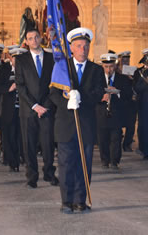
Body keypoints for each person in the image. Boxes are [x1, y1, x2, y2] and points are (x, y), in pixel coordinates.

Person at [49, 28, 104, 214]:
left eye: (86, 46)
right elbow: (53, 94)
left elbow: (99, 93)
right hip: (65, 125)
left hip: (86, 125)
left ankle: (80, 201)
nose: (83, 49)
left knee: (84, 165)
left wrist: (81, 97)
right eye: (79, 46)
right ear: (71, 48)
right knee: (65, 166)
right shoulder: (62, 68)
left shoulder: (96, 69)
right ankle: (66, 201)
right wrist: (67, 102)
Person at [15, 29, 58, 187]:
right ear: (26, 41)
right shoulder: (21, 60)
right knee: (29, 145)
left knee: (47, 144)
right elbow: (20, 85)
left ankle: (49, 173)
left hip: (46, 109)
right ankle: (32, 176)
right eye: (30, 38)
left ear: (41, 38)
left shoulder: (51, 58)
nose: (33, 40)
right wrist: (34, 106)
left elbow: (54, 84)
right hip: (28, 110)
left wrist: (44, 106)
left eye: (36, 37)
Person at [96, 53, 132, 170]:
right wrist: (102, 97)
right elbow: (92, 94)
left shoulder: (123, 79)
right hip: (102, 113)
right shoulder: (98, 79)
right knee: (103, 138)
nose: (109, 70)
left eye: (111, 67)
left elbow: (128, 95)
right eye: (106, 67)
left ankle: (114, 161)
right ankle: (104, 160)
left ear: (115, 66)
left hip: (116, 113)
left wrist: (117, 92)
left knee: (116, 138)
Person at [0, 47, 25, 172]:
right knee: (9, 135)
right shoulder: (4, 70)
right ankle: (11, 160)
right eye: (15, 58)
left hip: (23, 109)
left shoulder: (27, 70)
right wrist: (9, 88)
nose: (17, 61)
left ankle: (21, 156)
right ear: (11, 58)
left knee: (21, 135)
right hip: (8, 108)